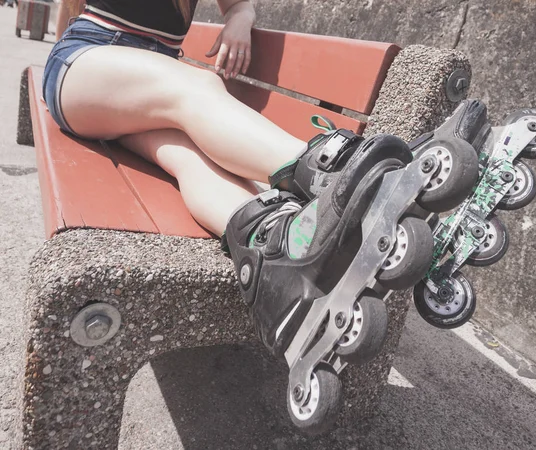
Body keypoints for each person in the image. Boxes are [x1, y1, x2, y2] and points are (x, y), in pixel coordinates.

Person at [45, 0, 479, 430]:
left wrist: (240, 17)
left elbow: (238, 3)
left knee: (187, 159)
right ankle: (338, 176)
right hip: (89, 64)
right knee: (197, 87)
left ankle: (279, 251)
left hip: (145, 88)